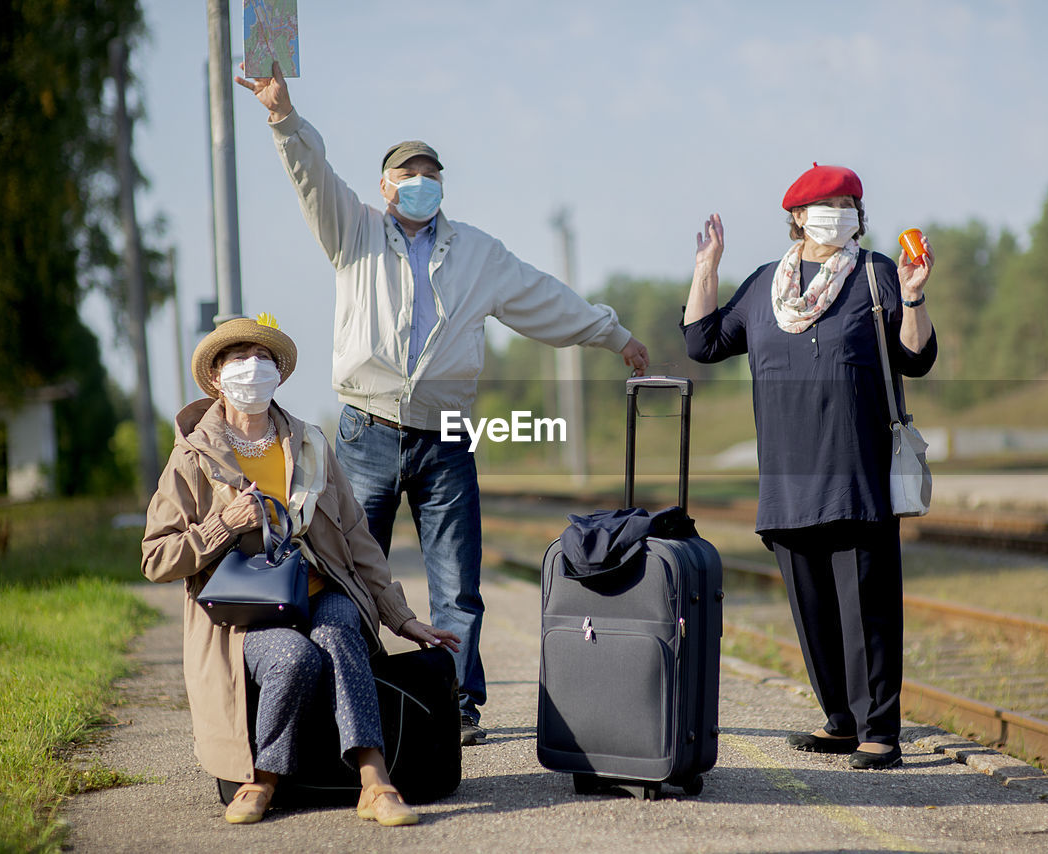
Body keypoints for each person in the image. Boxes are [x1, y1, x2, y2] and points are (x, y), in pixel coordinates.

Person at [234, 63, 650, 745]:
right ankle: (359, 690)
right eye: (406, 173)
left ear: (441, 185)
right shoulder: (354, 232)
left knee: (456, 582)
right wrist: (284, 118)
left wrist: (615, 335)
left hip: (446, 435)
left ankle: (456, 704)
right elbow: (312, 177)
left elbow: (546, 300)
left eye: (430, 173)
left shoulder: (478, 253)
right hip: (367, 431)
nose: (419, 182)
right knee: (348, 571)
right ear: (384, 186)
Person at [141, 315, 460, 825]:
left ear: (279, 375)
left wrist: (401, 617)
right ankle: (263, 779)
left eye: (264, 358)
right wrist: (222, 525)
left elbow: (358, 540)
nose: (254, 368)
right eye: (239, 359)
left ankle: (374, 781)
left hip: (321, 589)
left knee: (338, 632)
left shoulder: (311, 444)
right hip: (248, 611)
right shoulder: (192, 458)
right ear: (217, 377)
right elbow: (156, 557)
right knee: (293, 658)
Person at [682, 162, 936, 770]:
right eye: (827, 203)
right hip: (787, 481)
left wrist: (915, 295)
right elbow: (702, 342)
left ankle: (880, 730)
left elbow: (915, 357)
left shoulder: (877, 275)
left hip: (859, 475)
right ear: (796, 217)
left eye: (849, 201)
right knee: (814, 611)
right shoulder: (765, 286)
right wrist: (706, 270)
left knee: (867, 609)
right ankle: (840, 721)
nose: (839, 211)